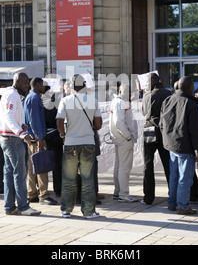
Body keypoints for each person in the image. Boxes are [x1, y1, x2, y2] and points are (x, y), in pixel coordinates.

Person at [56, 74, 102, 219]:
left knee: (69, 178)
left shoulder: (65, 100)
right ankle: (88, 211)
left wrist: (64, 136)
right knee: (88, 179)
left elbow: (59, 121)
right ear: (84, 85)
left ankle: (66, 210)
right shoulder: (93, 100)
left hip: (70, 143)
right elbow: (99, 125)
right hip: (88, 142)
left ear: (71, 86)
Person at [0, 72, 41, 216]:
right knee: (20, 173)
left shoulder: (10, 93)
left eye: (27, 83)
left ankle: (9, 206)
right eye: (25, 82)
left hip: (7, 137)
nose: (27, 86)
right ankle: (23, 206)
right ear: (17, 81)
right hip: (13, 138)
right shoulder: (13, 95)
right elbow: (8, 116)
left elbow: (9, 115)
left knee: (10, 173)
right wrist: (21, 133)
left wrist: (20, 125)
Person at [160, 76, 198, 215]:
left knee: (174, 176)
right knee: (185, 178)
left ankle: (172, 203)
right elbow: (195, 131)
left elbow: (162, 124)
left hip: (171, 144)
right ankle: (183, 206)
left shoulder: (168, 100)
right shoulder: (191, 104)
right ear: (190, 88)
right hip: (185, 146)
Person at [23, 77, 58, 205]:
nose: (44, 88)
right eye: (43, 85)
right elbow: (35, 120)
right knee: (41, 165)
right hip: (36, 137)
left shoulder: (29, 97)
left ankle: (31, 193)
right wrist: (40, 138)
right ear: (38, 85)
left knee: (32, 166)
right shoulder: (34, 98)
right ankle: (43, 194)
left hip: (31, 137)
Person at [141, 73, 172, 205]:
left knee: (148, 163)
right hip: (165, 130)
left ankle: (148, 197)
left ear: (153, 81)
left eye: (148, 82)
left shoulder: (148, 96)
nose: (147, 85)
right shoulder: (169, 93)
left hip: (150, 129)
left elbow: (144, 113)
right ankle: (173, 194)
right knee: (168, 163)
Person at [109, 84, 138, 202]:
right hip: (124, 139)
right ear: (121, 91)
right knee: (124, 167)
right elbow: (119, 122)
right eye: (128, 91)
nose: (130, 93)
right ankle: (123, 193)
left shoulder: (118, 102)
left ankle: (118, 191)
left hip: (120, 139)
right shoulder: (120, 103)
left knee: (120, 166)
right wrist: (128, 136)